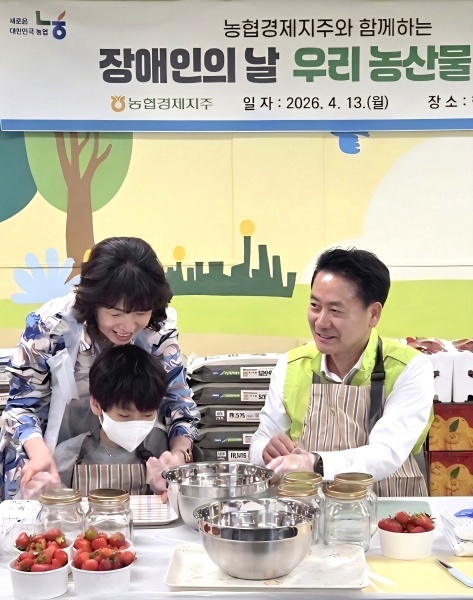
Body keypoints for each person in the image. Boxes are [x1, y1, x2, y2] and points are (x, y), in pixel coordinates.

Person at [1, 236, 199, 500]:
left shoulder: (159, 330)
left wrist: (178, 455)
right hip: (52, 455)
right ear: (93, 302)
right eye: (115, 314)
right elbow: (22, 407)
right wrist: (40, 456)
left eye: (140, 313)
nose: (127, 327)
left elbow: (179, 405)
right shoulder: (49, 326)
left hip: (140, 456)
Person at [249, 247, 434, 496]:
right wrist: (266, 450)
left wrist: (314, 462)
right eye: (315, 306)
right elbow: (260, 440)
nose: (321, 322)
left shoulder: (409, 368)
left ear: (373, 314)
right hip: (307, 507)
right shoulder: (291, 365)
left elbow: (387, 452)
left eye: (335, 311)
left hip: (388, 507)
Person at [54, 344, 168, 496]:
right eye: (124, 416)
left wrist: (163, 487)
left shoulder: (159, 449)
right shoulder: (68, 454)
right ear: (96, 405)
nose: (136, 424)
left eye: (147, 415)